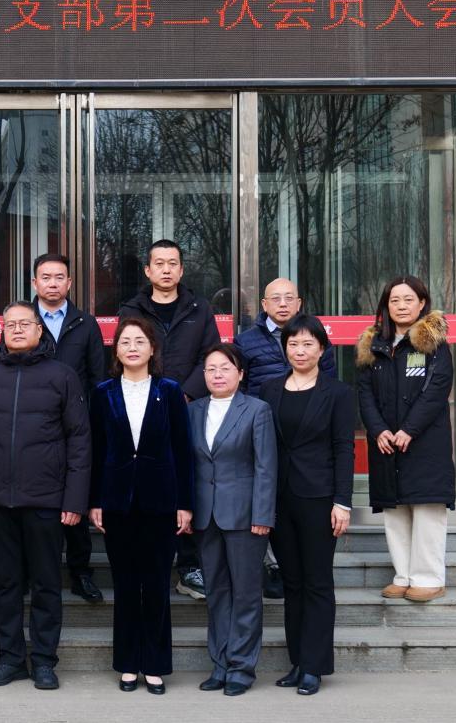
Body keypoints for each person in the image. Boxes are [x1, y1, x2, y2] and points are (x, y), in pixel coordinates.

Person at [0, 301, 91, 691]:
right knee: (5, 585)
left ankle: (43, 661)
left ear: (40, 330)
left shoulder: (62, 375)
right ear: (2, 332)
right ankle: (9, 659)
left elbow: (79, 441)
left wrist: (74, 500)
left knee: (46, 584)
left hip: (46, 501)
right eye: (11, 325)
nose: (18, 330)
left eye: (25, 324)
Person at [88, 316, 193, 695]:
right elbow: (96, 450)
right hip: (117, 502)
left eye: (139, 341)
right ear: (116, 350)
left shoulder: (170, 390)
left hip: (161, 502)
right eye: (125, 342)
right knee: (126, 585)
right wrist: (94, 501)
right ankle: (128, 664)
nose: (132, 347)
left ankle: (155, 665)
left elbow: (183, 450)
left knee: (157, 585)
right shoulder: (103, 393)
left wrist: (185, 503)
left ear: (152, 349)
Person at [118, 239, 220, 601]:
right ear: (148, 270)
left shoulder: (199, 308)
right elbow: (127, 352)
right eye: (158, 263)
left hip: (189, 407)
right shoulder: (132, 309)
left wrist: (183, 394)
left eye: (172, 263)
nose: (166, 269)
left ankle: (189, 566)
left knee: (186, 479)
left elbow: (210, 356)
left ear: (181, 269)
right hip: (141, 406)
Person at [259, 314, 355, 697]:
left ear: (322, 349)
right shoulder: (269, 389)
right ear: (285, 348)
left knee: (317, 581)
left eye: (307, 344)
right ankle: (297, 661)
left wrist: (342, 502)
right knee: (292, 582)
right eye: (293, 344)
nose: (299, 351)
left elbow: (344, 449)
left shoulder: (338, 393)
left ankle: (315, 666)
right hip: (279, 498)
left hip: (319, 498)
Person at [233, 277, 335, 601]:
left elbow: (330, 388)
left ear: (299, 303)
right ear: (264, 305)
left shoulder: (317, 339)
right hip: (262, 432)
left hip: (305, 437)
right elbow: (239, 388)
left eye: (289, 298)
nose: (282, 304)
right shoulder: (245, 342)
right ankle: (273, 565)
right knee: (266, 496)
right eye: (275, 298)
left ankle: (293, 564)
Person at [356, 276, 454, 603]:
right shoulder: (374, 345)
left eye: (408, 299)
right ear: (386, 305)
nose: (401, 306)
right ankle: (404, 575)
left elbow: (436, 390)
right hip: (386, 442)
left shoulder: (434, 343)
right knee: (395, 511)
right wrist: (377, 430)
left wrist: (409, 429)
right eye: (395, 300)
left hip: (425, 442)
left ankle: (428, 578)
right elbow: (364, 393)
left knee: (426, 510)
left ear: (422, 303)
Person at [189, 344, 277, 697]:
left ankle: (241, 667)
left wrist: (263, 515)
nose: (217, 374)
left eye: (225, 368)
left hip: (245, 516)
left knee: (246, 593)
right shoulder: (193, 410)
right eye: (211, 369)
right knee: (216, 591)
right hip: (205, 515)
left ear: (240, 374)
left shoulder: (256, 410)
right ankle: (220, 664)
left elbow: (266, 467)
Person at [31, 252, 107, 604]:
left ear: (70, 283)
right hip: (33, 426)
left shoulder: (85, 324)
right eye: (46, 277)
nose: (53, 283)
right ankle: (34, 574)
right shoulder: (24, 320)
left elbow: (97, 377)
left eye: (59, 277)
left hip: (76, 426)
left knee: (77, 498)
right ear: (35, 283)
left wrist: (90, 421)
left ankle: (80, 572)